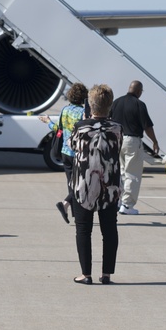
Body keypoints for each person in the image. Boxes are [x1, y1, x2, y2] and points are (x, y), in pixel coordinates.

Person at [69, 84, 122, 285]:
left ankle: (86, 273)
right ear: (110, 106)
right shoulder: (117, 128)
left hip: (84, 183)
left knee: (83, 229)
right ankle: (106, 273)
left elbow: (73, 146)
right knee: (109, 229)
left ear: (90, 105)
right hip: (110, 184)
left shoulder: (80, 127)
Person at [109, 80, 160, 216]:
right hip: (132, 140)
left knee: (121, 172)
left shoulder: (117, 102)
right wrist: (154, 141)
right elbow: (147, 126)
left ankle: (118, 201)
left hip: (117, 139)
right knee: (133, 173)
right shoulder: (139, 104)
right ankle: (127, 205)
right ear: (139, 91)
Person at [39, 82, 87, 224]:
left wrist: (48, 121)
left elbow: (58, 130)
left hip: (65, 152)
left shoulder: (65, 110)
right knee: (81, 184)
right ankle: (66, 204)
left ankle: (74, 213)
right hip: (78, 152)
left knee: (71, 182)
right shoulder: (83, 113)